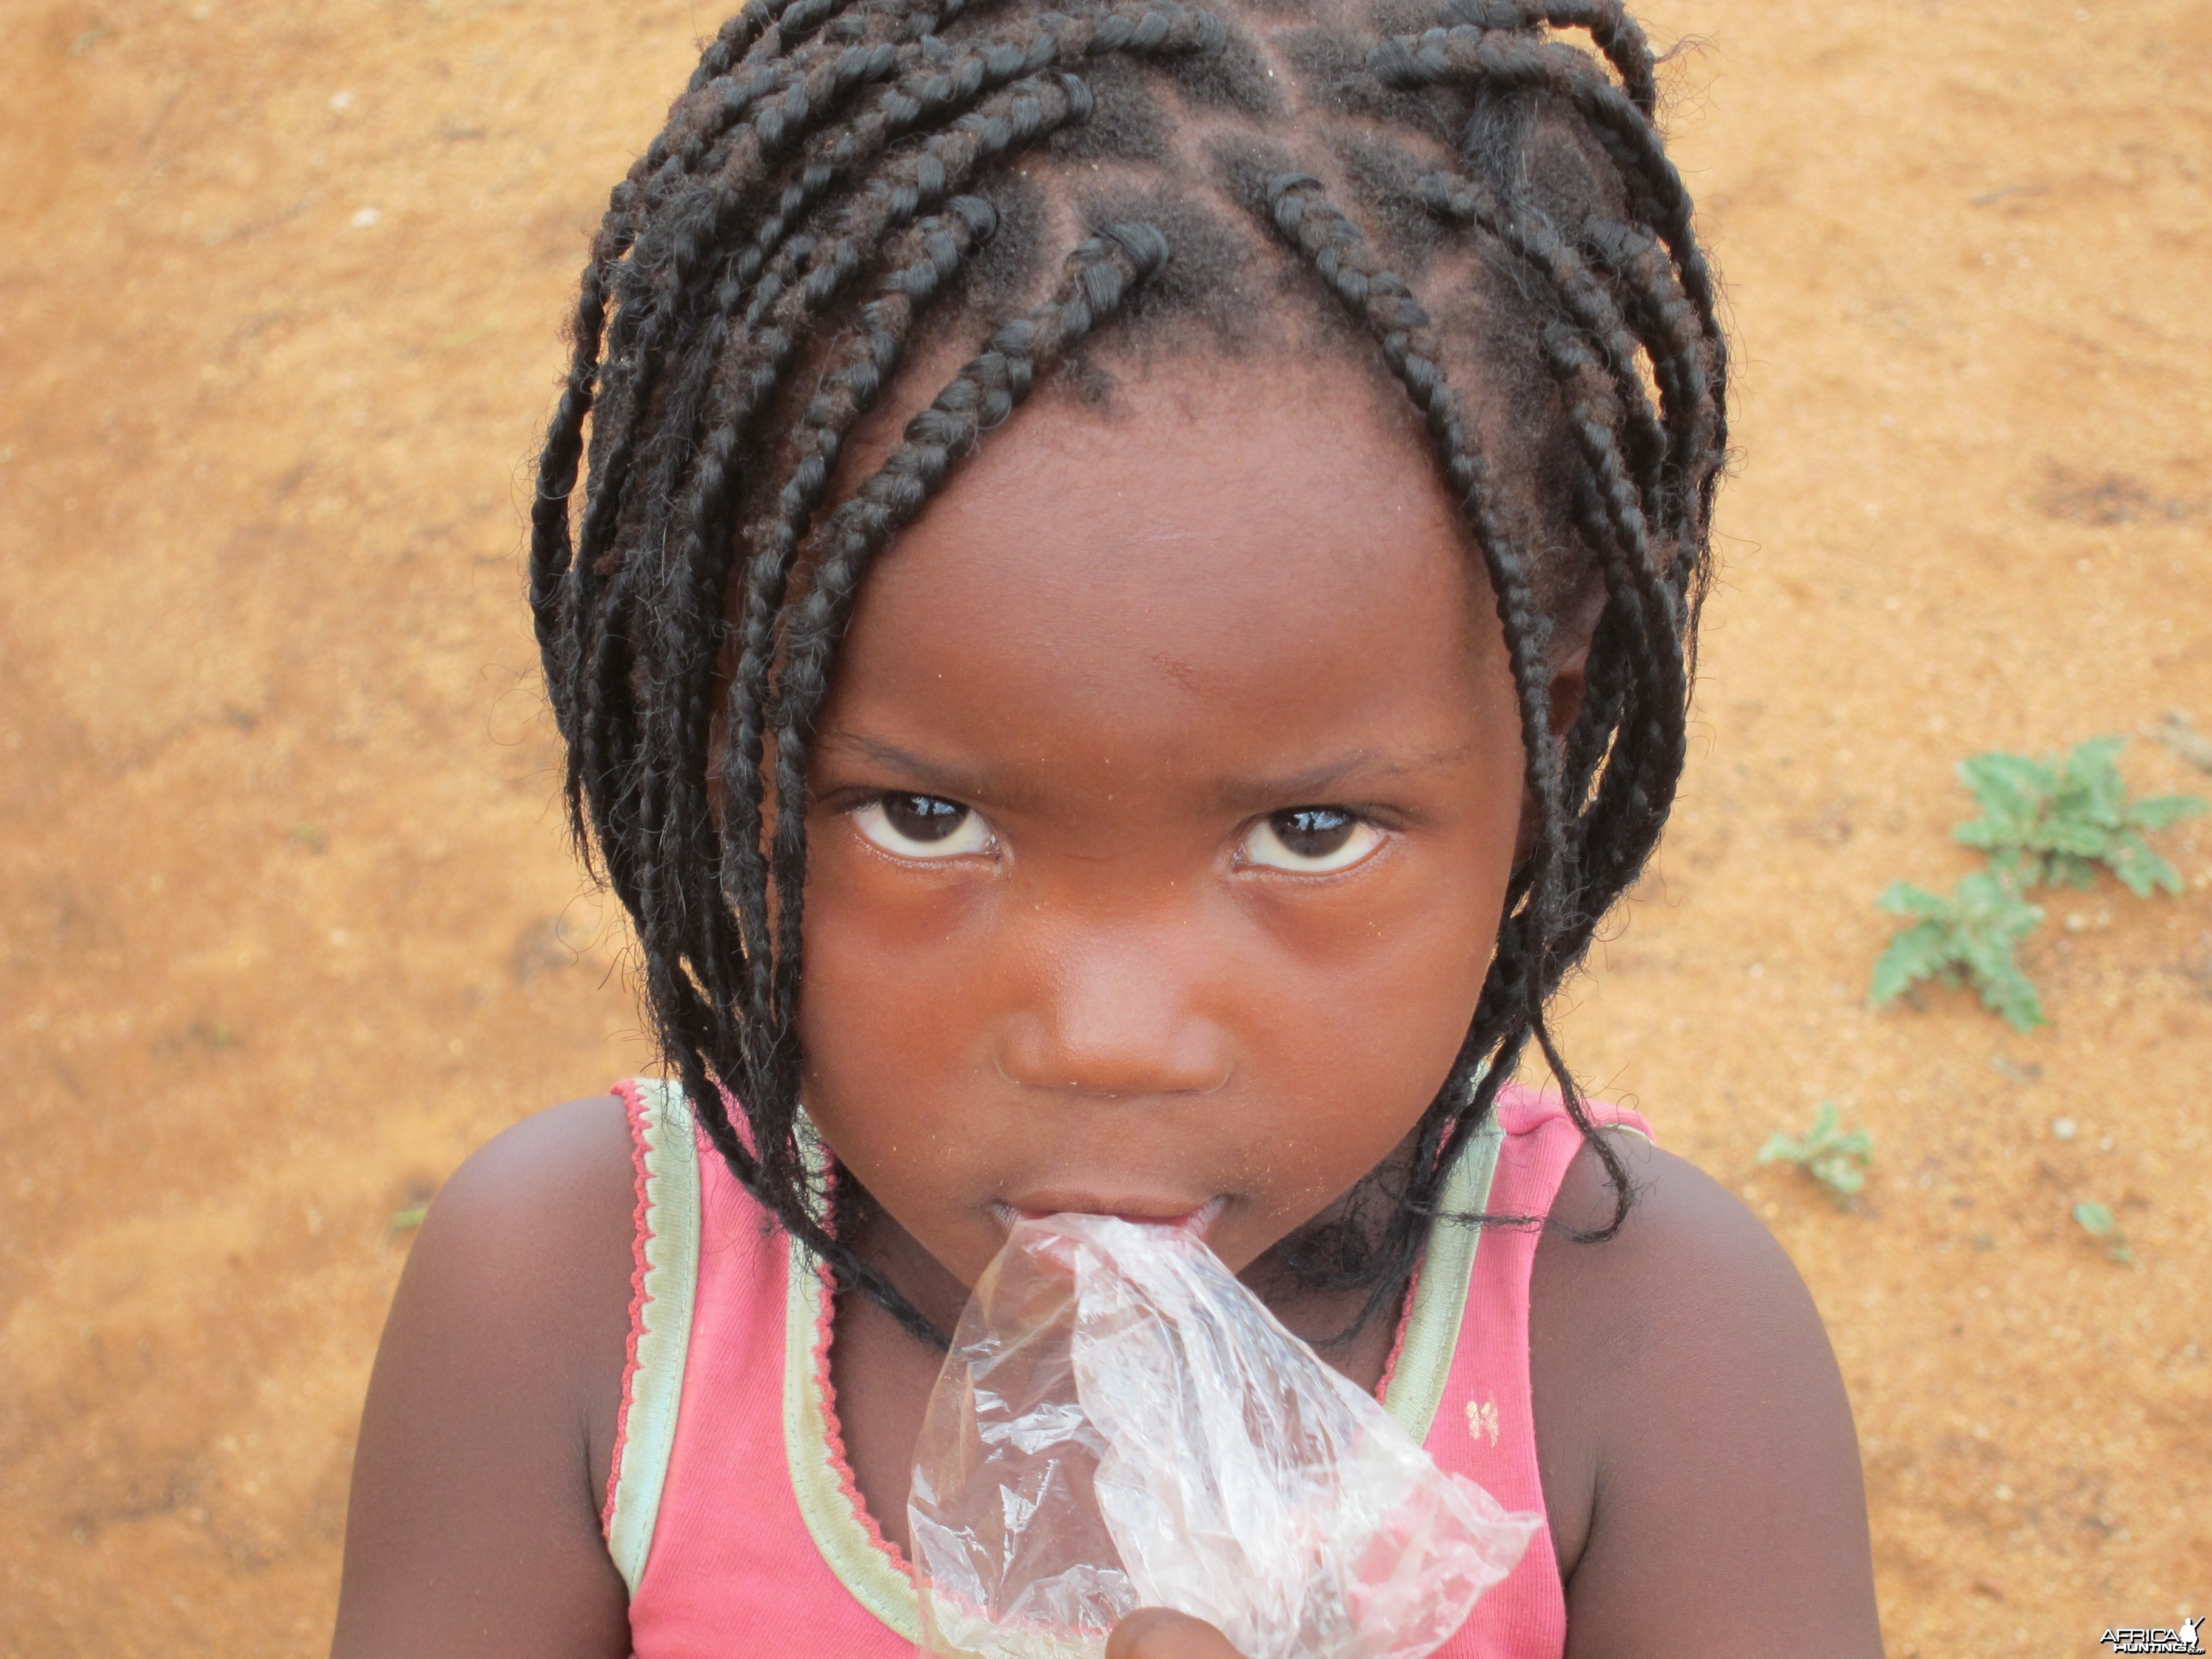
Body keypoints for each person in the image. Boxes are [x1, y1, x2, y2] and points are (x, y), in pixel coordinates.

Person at [332, 0, 1883, 1652]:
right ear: (723, 737)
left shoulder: (1650, 1352)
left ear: (1548, 735)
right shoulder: (576, 1308)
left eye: (1307, 833)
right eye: (926, 817)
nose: (1109, 1040)